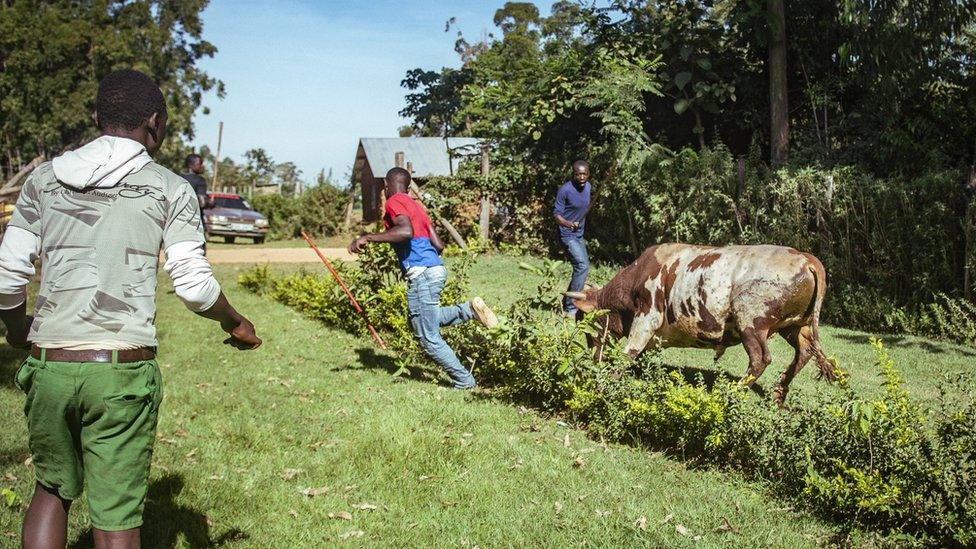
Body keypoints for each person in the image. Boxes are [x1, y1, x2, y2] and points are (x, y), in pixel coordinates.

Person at [0, 69, 262, 549]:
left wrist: (19, 331)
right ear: (156, 123)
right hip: (120, 371)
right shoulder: (171, 188)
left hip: (49, 363)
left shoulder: (41, 181)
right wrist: (236, 321)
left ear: (97, 117)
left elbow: (6, 275)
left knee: (51, 489)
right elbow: (194, 287)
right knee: (117, 510)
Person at [347, 167, 497, 389]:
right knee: (421, 320)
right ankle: (468, 310)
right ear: (408, 187)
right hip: (435, 269)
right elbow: (439, 245)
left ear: (386, 186)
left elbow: (405, 231)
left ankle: (464, 381)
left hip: (422, 274)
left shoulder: (394, 202)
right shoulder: (417, 207)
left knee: (427, 338)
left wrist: (368, 237)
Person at [554, 160, 593, 317]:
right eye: (578, 174)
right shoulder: (565, 190)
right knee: (582, 266)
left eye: (584, 174)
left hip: (579, 234)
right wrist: (569, 224)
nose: (582, 177)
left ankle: (568, 302)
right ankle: (571, 309)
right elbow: (556, 216)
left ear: (588, 174)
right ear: (574, 174)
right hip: (567, 234)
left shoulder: (589, 187)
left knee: (581, 267)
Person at [181, 154, 209, 231]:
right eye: (200, 164)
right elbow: (202, 203)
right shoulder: (200, 180)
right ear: (191, 165)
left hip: (177, 221)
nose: (202, 166)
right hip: (194, 222)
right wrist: (210, 203)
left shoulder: (177, 177)